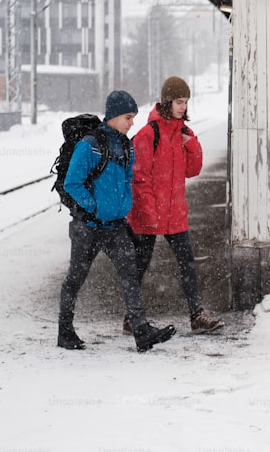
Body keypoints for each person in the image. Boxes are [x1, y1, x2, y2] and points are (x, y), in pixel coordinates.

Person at [57, 90, 177, 352]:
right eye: (128, 117)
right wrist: (93, 207)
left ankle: (141, 332)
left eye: (133, 117)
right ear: (112, 116)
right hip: (87, 227)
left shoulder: (126, 144)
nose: (132, 122)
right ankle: (65, 332)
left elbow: (127, 181)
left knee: (129, 276)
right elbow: (72, 183)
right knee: (75, 278)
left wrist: (125, 206)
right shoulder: (89, 145)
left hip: (116, 227)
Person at [127, 76, 224, 334]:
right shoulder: (148, 135)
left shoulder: (184, 133)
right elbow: (139, 177)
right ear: (167, 101)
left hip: (175, 213)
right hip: (148, 213)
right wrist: (148, 213)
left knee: (187, 264)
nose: (183, 107)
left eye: (186, 102)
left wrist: (190, 144)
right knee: (140, 264)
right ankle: (131, 317)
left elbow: (193, 170)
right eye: (179, 102)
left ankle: (196, 315)